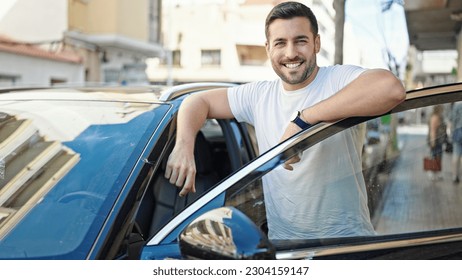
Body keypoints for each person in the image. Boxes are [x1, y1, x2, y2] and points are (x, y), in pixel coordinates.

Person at [164, 1, 405, 239]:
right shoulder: (258, 95)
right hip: (283, 248)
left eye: (300, 41)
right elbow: (196, 102)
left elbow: (391, 89)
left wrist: (303, 120)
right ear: (268, 48)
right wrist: (184, 146)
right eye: (280, 43)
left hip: (343, 245)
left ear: (316, 43)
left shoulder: (338, 79)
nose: (291, 53)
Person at [427, 105, 446, 180]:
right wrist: (433, 141)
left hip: (438, 140)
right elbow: (433, 130)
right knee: (434, 156)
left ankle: (437, 173)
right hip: (435, 140)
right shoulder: (435, 117)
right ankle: (432, 173)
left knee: (438, 156)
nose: (443, 110)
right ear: (438, 109)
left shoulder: (439, 117)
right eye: (442, 108)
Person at [450, 102, 462, 184]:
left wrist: (451, 133)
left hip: (458, 131)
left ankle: (455, 176)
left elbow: (452, 119)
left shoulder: (457, 104)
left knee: (456, 155)